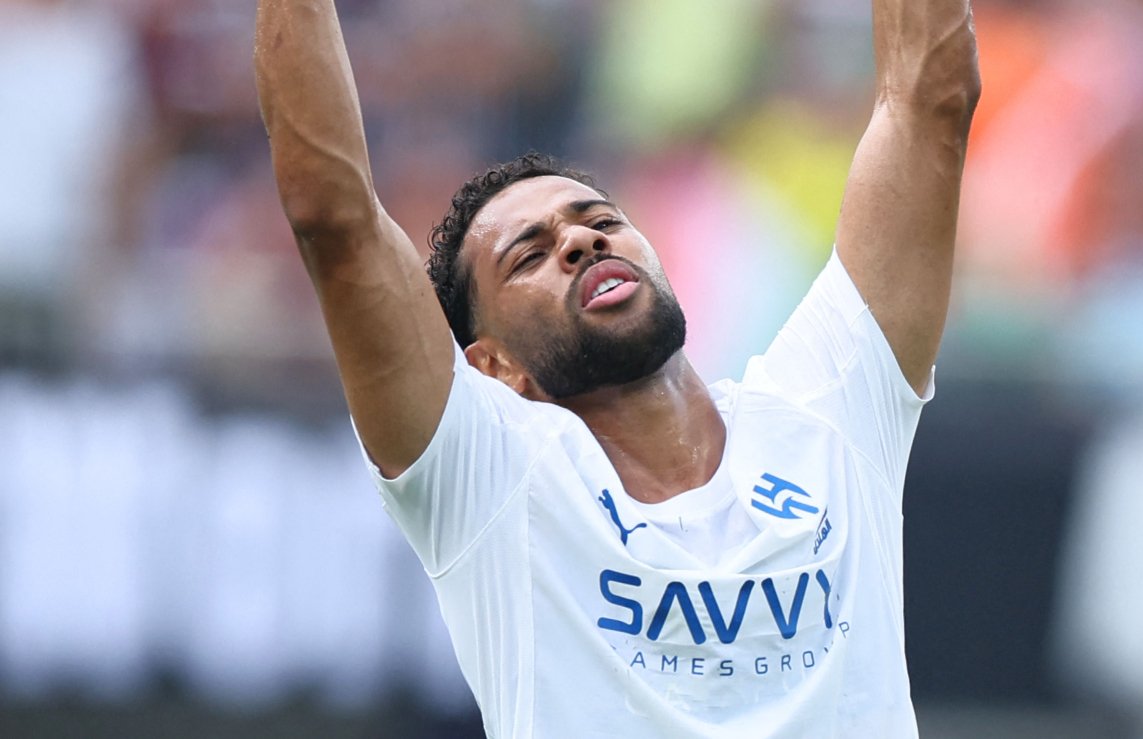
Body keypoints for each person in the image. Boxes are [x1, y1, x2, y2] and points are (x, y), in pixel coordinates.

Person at [254, 0, 979, 736]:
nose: (580, 242)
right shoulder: (485, 477)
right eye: (529, 256)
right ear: (493, 366)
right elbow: (333, 219)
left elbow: (931, 101)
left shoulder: (825, 410)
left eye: (602, 222)